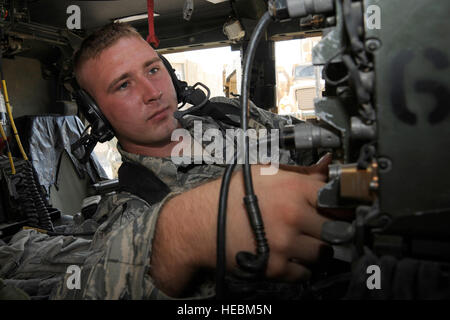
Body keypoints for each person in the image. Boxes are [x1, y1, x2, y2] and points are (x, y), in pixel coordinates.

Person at [52, 22, 345, 300]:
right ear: (96, 115)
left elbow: (317, 141)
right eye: (124, 85)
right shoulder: (130, 218)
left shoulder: (227, 112)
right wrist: (179, 232)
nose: (153, 93)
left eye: (153, 70)